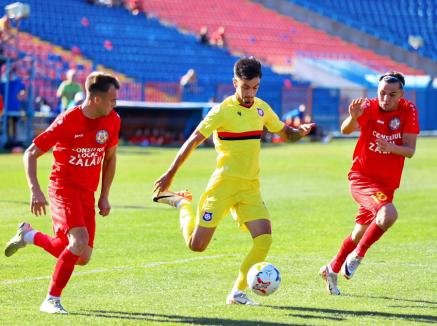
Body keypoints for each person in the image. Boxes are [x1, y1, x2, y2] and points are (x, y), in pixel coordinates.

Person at [153, 57, 314, 305]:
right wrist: (170, 173)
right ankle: (181, 203)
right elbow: (193, 140)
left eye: (255, 87)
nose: (250, 93)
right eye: (245, 87)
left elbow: (286, 134)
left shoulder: (262, 108)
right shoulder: (221, 111)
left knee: (264, 238)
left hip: (250, 187)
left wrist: (299, 132)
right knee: (197, 246)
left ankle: (237, 293)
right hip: (223, 185)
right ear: (234, 83)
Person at [4, 71, 121, 314]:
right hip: (63, 187)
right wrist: (35, 190)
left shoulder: (113, 120)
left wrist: (104, 195)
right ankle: (51, 300)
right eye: (112, 99)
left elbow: (110, 159)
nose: (115, 104)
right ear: (96, 99)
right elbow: (31, 153)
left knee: (83, 256)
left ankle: (29, 236)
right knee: (78, 242)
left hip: (87, 192)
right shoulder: (68, 120)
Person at [319, 71, 420, 295]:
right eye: (382, 93)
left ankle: (332, 270)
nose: (386, 99)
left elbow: (410, 151)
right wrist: (353, 117)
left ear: (401, 94)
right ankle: (358, 256)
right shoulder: (368, 106)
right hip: (362, 179)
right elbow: (345, 130)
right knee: (388, 215)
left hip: (386, 186)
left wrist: (390, 147)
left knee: (357, 234)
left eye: (392, 95)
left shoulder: (409, 110)